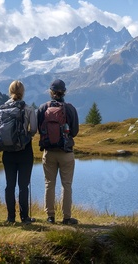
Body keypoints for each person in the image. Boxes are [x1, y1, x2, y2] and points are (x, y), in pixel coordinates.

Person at [37, 79, 79, 225]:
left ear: (51, 92)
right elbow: (74, 131)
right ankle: (66, 217)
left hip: (48, 152)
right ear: (64, 92)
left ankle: (50, 216)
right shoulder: (70, 108)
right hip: (66, 152)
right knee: (66, 185)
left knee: (49, 183)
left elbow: (39, 130)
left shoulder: (43, 108)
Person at [0, 80, 37, 224]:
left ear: (10, 91)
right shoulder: (28, 109)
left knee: (9, 185)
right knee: (23, 185)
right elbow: (33, 129)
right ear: (23, 92)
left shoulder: (2, 108)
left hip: (7, 151)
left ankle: (10, 217)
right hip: (24, 150)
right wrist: (25, 136)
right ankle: (25, 217)